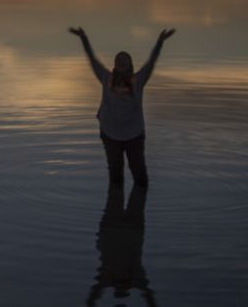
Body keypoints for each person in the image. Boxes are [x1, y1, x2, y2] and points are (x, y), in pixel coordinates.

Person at [68, 26, 175, 187]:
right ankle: (114, 209)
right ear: (115, 64)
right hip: (110, 134)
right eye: (119, 60)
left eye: (125, 60)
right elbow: (92, 59)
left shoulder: (138, 80)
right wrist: (83, 37)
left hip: (134, 134)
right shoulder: (106, 78)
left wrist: (160, 41)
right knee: (115, 174)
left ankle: (138, 209)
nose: (121, 62)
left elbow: (151, 62)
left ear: (130, 63)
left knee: (139, 175)